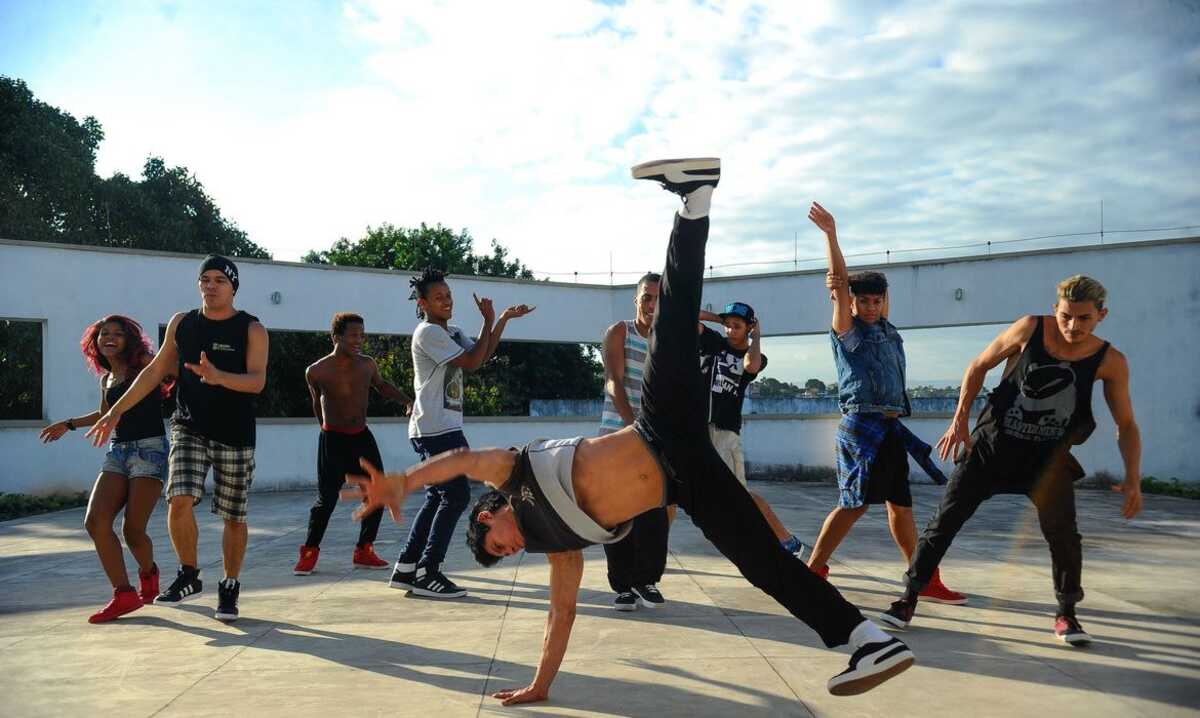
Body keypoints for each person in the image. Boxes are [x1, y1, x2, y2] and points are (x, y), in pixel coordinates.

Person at [346, 159, 914, 705]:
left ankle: (694, 202)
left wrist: (404, 481)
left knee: (670, 319)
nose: (512, 548)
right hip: (685, 482)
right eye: (506, 554)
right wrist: (541, 684)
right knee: (761, 563)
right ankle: (867, 640)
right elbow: (560, 616)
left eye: (499, 543)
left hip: (660, 427)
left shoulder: (510, 474)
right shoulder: (560, 547)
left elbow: (462, 463)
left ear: (489, 513)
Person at [879, 275, 1142, 646]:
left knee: (1064, 537)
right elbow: (978, 365)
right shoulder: (1029, 328)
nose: (1073, 326)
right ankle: (907, 600)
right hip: (990, 450)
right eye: (1067, 316)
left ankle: (1067, 614)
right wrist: (960, 420)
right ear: (1056, 309)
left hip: (1047, 463)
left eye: (1084, 318)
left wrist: (1133, 476)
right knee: (944, 523)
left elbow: (1126, 424)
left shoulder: (1110, 361)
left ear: (1101, 315)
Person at [88, 255, 268, 623]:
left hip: (235, 433)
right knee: (179, 498)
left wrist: (219, 377)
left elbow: (257, 381)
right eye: (205, 278)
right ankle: (189, 573)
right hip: (189, 426)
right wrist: (115, 410)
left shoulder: (252, 329)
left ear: (233, 286)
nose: (211, 285)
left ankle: (230, 584)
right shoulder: (182, 324)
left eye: (220, 279)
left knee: (233, 515)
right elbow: (155, 371)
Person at [803, 203, 965, 607]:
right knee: (853, 504)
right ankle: (813, 570)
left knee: (901, 506)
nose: (872, 307)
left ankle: (922, 577)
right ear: (853, 303)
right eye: (865, 301)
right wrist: (831, 236)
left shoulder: (887, 329)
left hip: (891, 428)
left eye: (878, 300)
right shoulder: (848, 332)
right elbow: (839, 284)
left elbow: (870, 292)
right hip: (861, 428)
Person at [388, 267, 534, 598]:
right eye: (438, 298)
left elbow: (481, 356)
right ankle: (428, 570)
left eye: (449, 295)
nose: (447, 302)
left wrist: (499, 320)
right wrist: (489, 322)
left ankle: (408, 567)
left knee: (438, 497)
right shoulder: (428, 333)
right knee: (455, 496)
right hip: (435, 428)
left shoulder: (451, 332)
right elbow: (470, 361)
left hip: (442, 427)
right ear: (423, 302)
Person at [41, 315, 169, 623]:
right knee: (95, 521)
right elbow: (104, 414)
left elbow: (172, 375)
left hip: (149, 450)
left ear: (130, 340)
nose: (109, 338)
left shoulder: (144, 364)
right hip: (118, 452)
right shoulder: (107, 378)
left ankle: (149, 574)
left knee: (133, 530)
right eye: (103, 334)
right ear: (95, 344)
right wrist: (69, 424)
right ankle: (123, 594)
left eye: (117, 333)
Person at [293, 312, 414, 575]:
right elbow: (317, 403)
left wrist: (407, 400)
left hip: (361, 437)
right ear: (337, 337)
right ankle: (309, 552)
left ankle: (364, 550)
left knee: (377, 492)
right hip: (333, 439)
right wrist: (325, 432)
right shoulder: (316, 371)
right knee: (326, 500)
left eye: (362, 335)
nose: (359, 340)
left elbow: (381, 386)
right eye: (353, 335)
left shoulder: (367, 365)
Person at [698, 302, 807, 555]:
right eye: (728, 325)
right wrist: (721, 318)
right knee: (710, 493)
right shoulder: (713, 342)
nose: (730, 330)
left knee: (740, 495)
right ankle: (750, 540)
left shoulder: (753, 355)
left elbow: (752, 366)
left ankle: (787, 541)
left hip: (724, 432)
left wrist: (756, 336)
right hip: (700, 428)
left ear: (749, 327)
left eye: (737, 326)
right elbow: (687, 311)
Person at [598, 272, 671, 611]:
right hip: (618, 434)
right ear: (636, 299)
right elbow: (614, 383)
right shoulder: (619, 332)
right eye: (647, 297)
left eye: (659, 298)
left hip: (654, 437)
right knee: (616, 513)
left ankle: (646, 579)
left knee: (653, 509)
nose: (652, 304)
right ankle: (623, 586)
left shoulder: (667, 339)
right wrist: (633, 427)